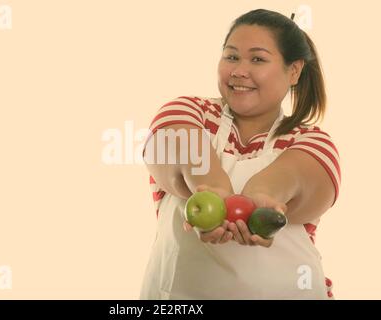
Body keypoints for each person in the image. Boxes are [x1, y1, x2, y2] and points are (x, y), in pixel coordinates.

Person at [140, 9, 340, 299]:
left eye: (257, 59)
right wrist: (213, 191)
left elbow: (292, 178)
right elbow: (178, 149)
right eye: (231, 56)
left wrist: (263, 198)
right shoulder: (188, 112)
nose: (238, 70)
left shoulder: (312, 142)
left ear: (293, 70)